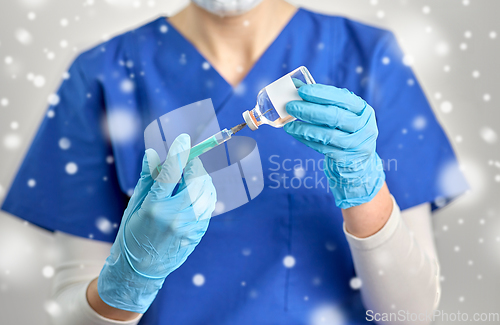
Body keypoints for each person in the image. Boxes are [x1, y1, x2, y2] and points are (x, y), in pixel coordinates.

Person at [1, 0, 468, 324]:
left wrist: (366, 188)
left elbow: (410, 316)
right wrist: (128, 279)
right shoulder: (104, 73)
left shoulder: (366, 59)